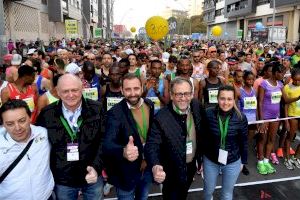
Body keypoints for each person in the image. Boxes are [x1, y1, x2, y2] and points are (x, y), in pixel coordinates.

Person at [36, 74, 104, 200]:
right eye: (65, 91)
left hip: (92, 175)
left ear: (82, 89)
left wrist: (96, 167)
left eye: (74, 90)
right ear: (57, 92)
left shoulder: (97, 109)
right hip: (63, 180)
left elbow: (103, 141)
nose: (71, 95)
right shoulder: (47, 114)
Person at [145, 77, 202, 199]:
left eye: (187, 93)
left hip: (190, 166)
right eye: (178, 94)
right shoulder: (161, 118)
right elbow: (152, 145)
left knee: (183, 194)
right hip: (171, 170)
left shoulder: (196, 106)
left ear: (192, 94)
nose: (183, 98)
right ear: (171, 95)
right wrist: (155, 165)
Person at [103, 73, 154, 200]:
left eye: (136, 88)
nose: (132, 93)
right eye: (128, 89)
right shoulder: (114, 113)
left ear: (142, 88)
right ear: (121, 90)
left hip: (147, 167)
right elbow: (107, 143)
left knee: (143, 197)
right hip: (126, 173)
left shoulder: (149, 105)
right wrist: (123, 151)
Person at [0, 99, 54, 200]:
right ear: (3, 124)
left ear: (30, 118)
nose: (17, 128)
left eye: (22, 121)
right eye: (10, 124)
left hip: (46, 197)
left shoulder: (43, 134)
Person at [202, 85, 248, 200]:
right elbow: (203, 138)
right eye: (222, 98)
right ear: (217, 99)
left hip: (233, 162)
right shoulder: (208, 114)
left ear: (234, 100)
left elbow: (244, 141)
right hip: (210, 160)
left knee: (227, 194)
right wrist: (200, 160)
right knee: (208, 191)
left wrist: (243, 161)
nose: (225, 102)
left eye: (229, 99)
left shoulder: (241, 117)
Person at [282, 67, 300, 170]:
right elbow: (286, 104)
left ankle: (296, 157)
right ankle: (287, 158)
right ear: (292, 78)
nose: (297, 82)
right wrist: (286, 120)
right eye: (295, 79)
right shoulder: (287, 87)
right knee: (290, 137)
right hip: (292, 115)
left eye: (299, 80)